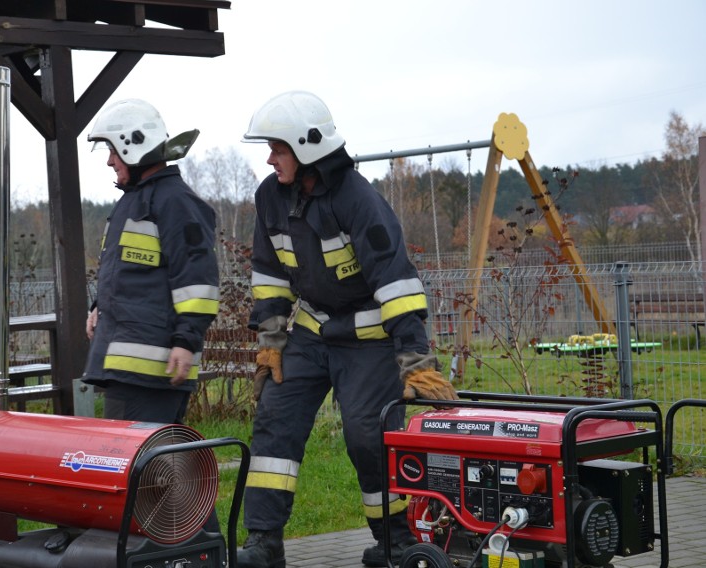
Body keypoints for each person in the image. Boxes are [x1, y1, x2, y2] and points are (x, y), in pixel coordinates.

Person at [237, 91, 459, 568]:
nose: (270, 158)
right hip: (311, 332)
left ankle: (396, 541)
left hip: (369, 338)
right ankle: (263, 541)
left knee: (367, 434)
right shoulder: (269, 198)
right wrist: (273, 343)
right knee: (275, 420)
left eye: (278, 148)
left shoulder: (358, 200)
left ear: (305, 146)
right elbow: (269, 275)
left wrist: (416, 362)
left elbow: (396, 282)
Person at [81, 98, 220, 425]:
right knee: (137, 466)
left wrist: (186, 342)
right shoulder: (133, 202)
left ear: (134, 146)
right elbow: (130, 274)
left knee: (141, 467)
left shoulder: (176, 202)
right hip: (127, 368)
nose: (110, 161)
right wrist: (98, 305)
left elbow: (197, 282)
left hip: (153, 370)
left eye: (113, 151)